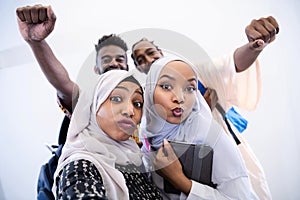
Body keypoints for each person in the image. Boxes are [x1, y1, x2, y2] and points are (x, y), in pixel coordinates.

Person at [130, 17, 279, 199]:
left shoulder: (196, 73)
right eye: (141, 59)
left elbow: (231, 65)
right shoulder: (145, 114)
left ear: (160, 51)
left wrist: (252, 47)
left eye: (190, 89)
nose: (179, 98)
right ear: (138, 67)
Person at [140, 55, 258, 199]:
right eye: (166, 86)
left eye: (189, 88)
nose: (180, 98)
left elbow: (240, 197)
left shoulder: (208, 134)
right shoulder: (145, 136)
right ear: (150, 91)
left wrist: (180, 180)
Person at [54, 70, 162, 199]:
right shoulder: (80, 167)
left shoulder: (135, 161)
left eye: (137, 104)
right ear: (94, 106)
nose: (130, 111)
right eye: (116, 99)